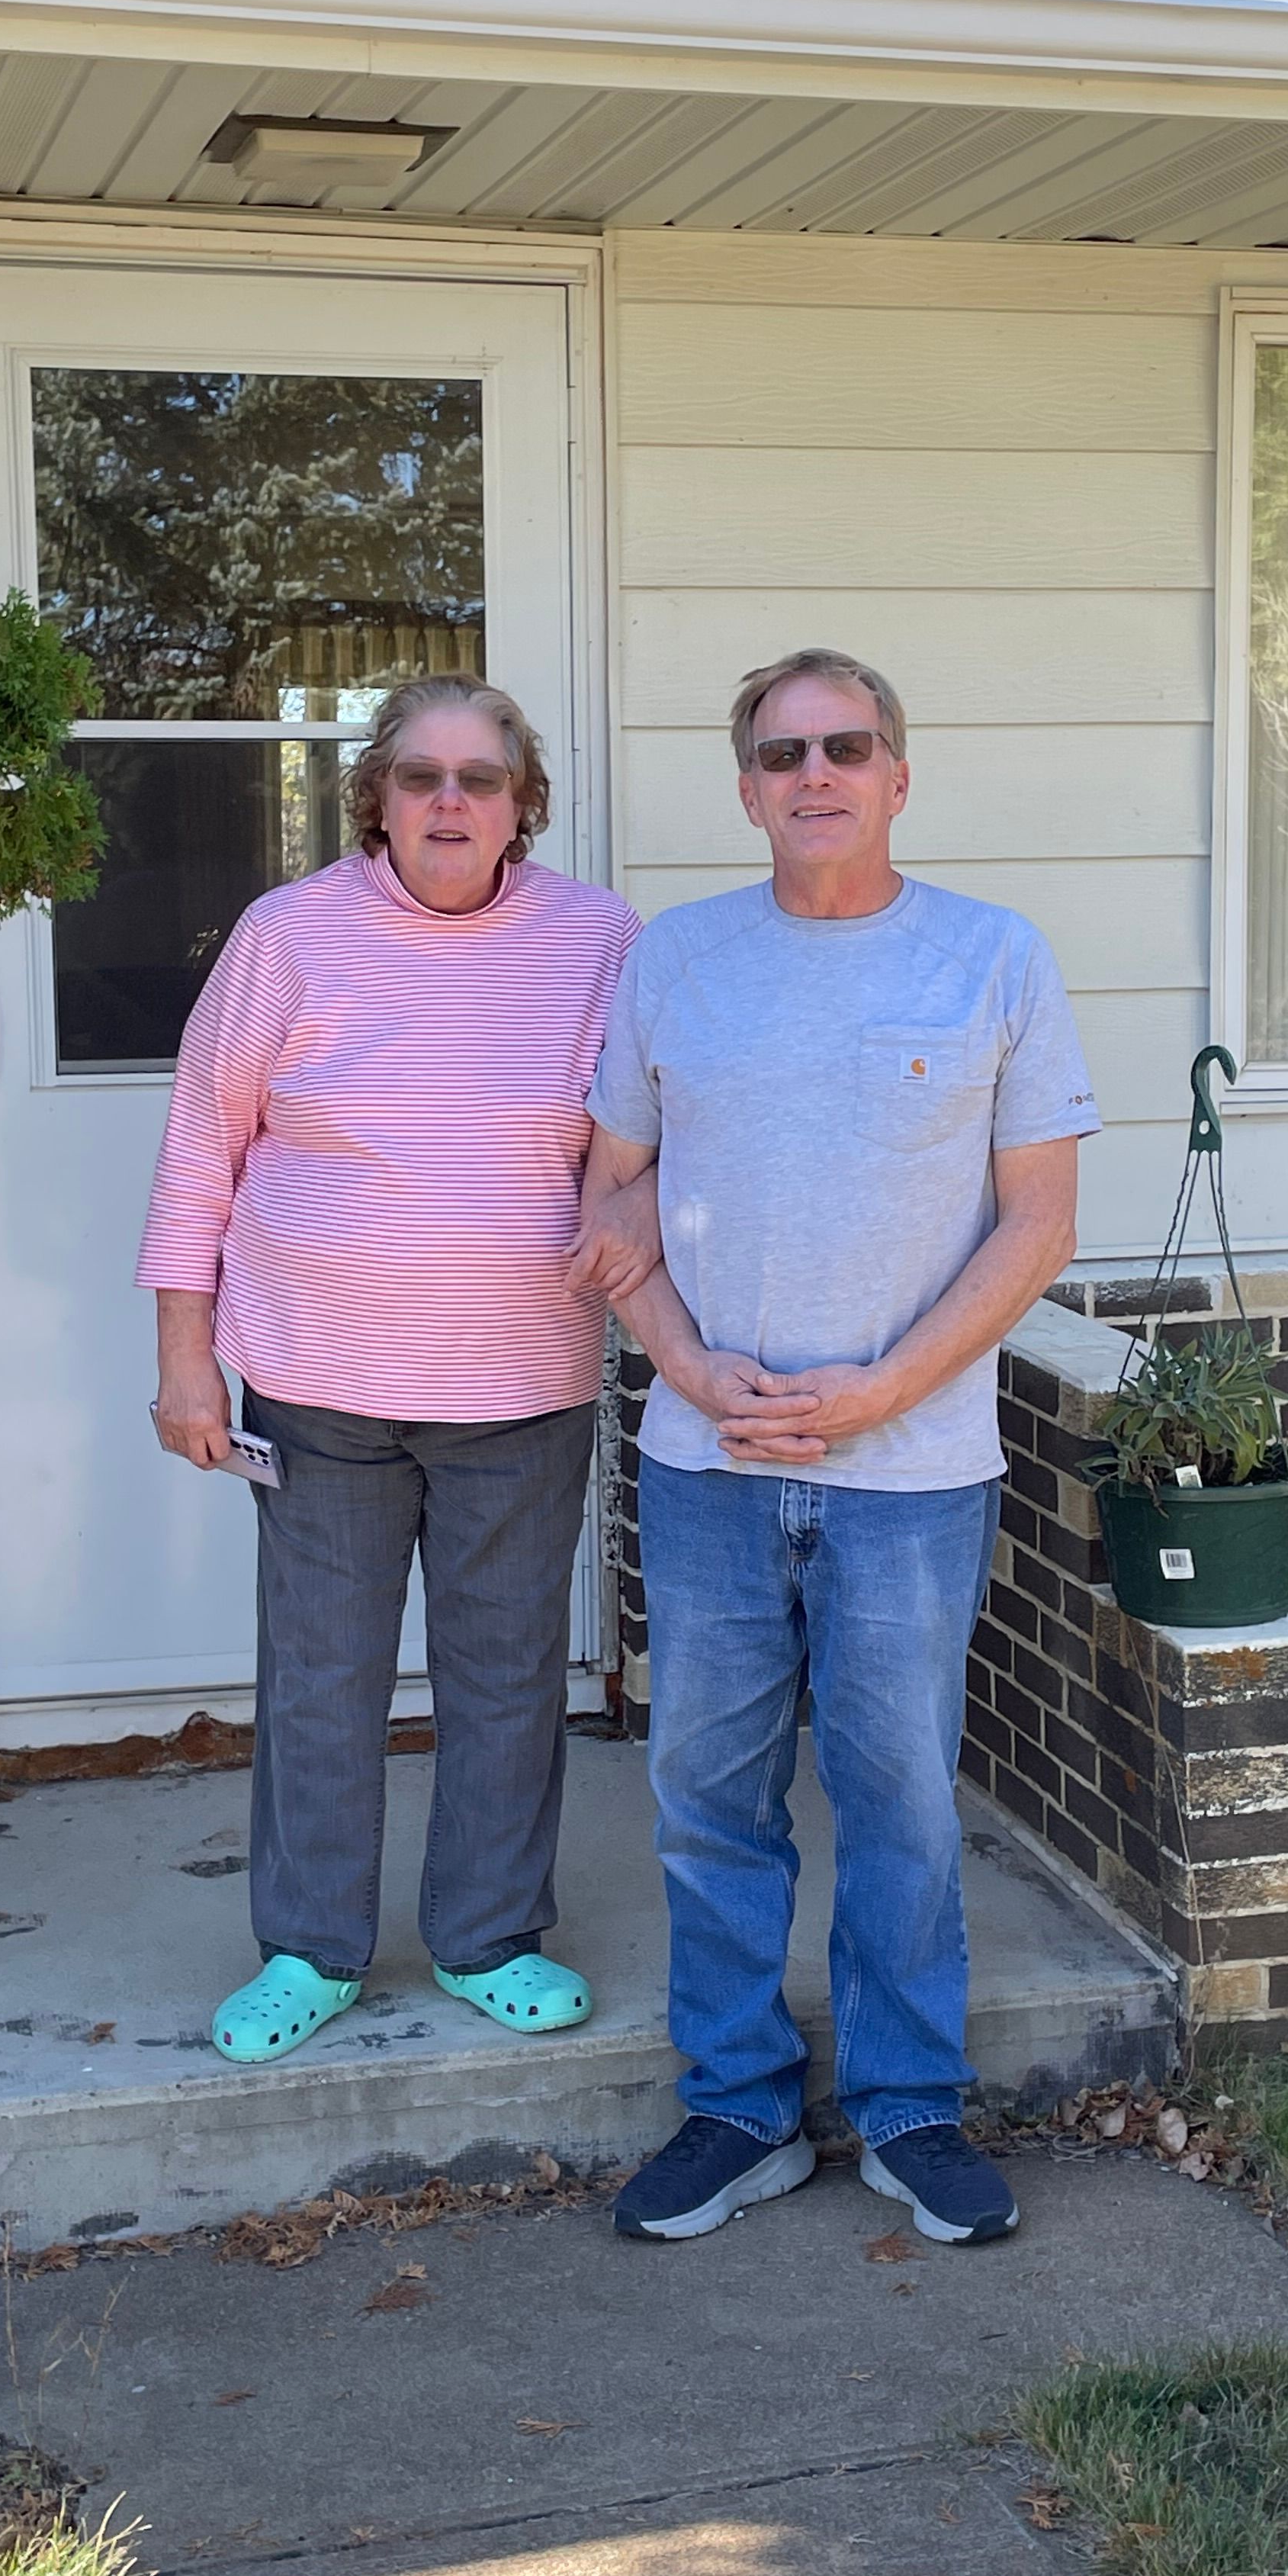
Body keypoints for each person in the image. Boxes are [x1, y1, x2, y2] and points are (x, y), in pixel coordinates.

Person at [583, 647, 1097, 2245]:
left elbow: (1038, 1226)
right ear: (746, 788)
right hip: (708, 1463)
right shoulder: (678, 961)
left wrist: (881, 1391)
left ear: (897, 772)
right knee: (708, 1791)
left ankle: (906, 2107)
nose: (817, 773)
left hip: (913, 1476)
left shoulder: (995, 958)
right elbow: (609, 1201)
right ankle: (739, 2109)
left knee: (901, 1802)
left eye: (848, 746)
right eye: (784, 751)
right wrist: (687, 1362)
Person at [137, 675, 647, 2064]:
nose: (450, 803)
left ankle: (490, 1935)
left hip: (523, 1386)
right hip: (316, 1386)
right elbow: (202, 1151)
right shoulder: (288, 936)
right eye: (421, 777)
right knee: (322, 1676)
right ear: (377, 796)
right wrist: (188, 1361)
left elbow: (645, 1140)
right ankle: (310, 1948)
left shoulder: (602, 941)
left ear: (520, 805)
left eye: (480, 779)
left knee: (505, 1675)